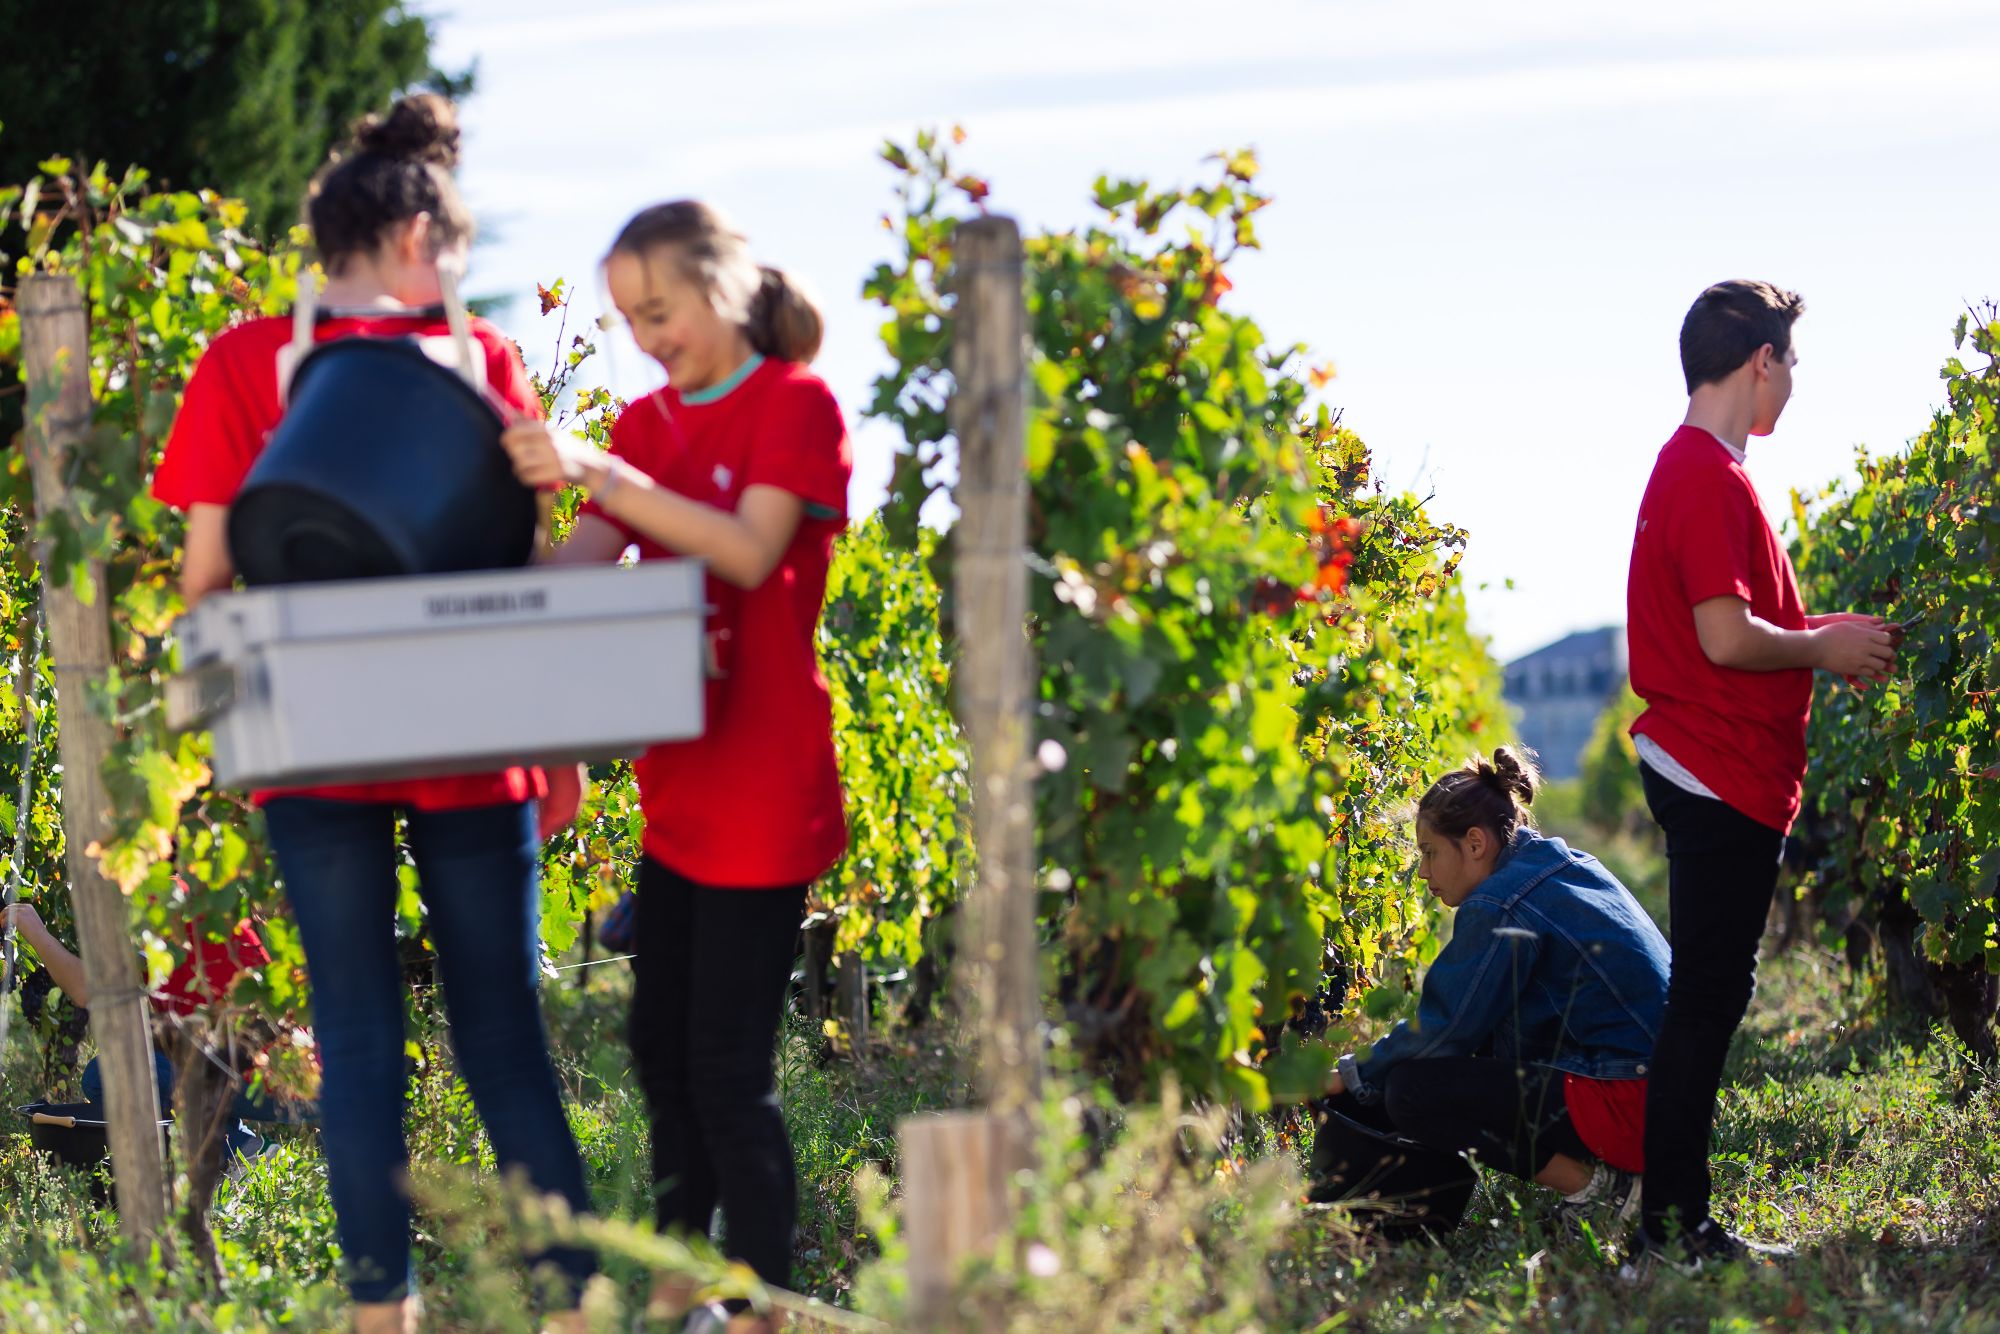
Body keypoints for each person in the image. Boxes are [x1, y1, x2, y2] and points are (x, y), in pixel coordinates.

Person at [152, 93, 595, 1333]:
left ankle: (378, 1319)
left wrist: (213, 736)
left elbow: (202, 586)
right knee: (501, 1037)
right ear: (417, 241)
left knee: (354, 1036)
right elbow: (520, 586)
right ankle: (569, 1309)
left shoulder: (247, 361)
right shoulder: (484, 366)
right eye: (454, 251)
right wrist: (553, 750)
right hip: (471, 736)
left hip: (314, 737)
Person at [501, 200, 851, 1334]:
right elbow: (577, 568)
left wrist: (600, 467)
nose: (647, 336)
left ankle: (758, 1305)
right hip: (680, 791)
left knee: (725, 1067)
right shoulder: (649, 425)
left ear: (726, 286)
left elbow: (749, 548)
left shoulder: (794, 406)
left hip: (766, 786)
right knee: (659, 1053)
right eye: (628, 319)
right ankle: (678, 1281)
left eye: (661, 310)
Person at [1622, 280, 1897, 1273]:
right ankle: (1665, 1234)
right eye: (1791, 362)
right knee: (1703, 997)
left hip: (1718, 767)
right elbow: (1724, 635)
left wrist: (1821, 639)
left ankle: (1670, 1225)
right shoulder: (1703, 473)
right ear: (1760, 362)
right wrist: (1822, 648)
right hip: (1714, 769)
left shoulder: (1702, 469)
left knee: (1704, 993)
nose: (1793, 385)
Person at [1309, 748, 1669, 1239]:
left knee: (1412, 1092)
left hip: (1628, 1103)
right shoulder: (1560, 864)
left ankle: (1604, 1192)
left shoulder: (1500, 901)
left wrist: (1346, 1077)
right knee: (1468, 1053)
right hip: (1673, 1098)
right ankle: (1612, 1180)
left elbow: (1443, 1029)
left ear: (1475, 843)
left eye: (1429, 852)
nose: (1423, 871)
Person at [3, 900, 286, 1163]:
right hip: (286, 1070)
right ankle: (244, 1146)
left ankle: (230, 1150)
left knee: (105, 1075)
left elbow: (86, 990)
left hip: (275, 1081)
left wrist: (34, 928)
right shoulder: (181, 895)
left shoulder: (158, 905)